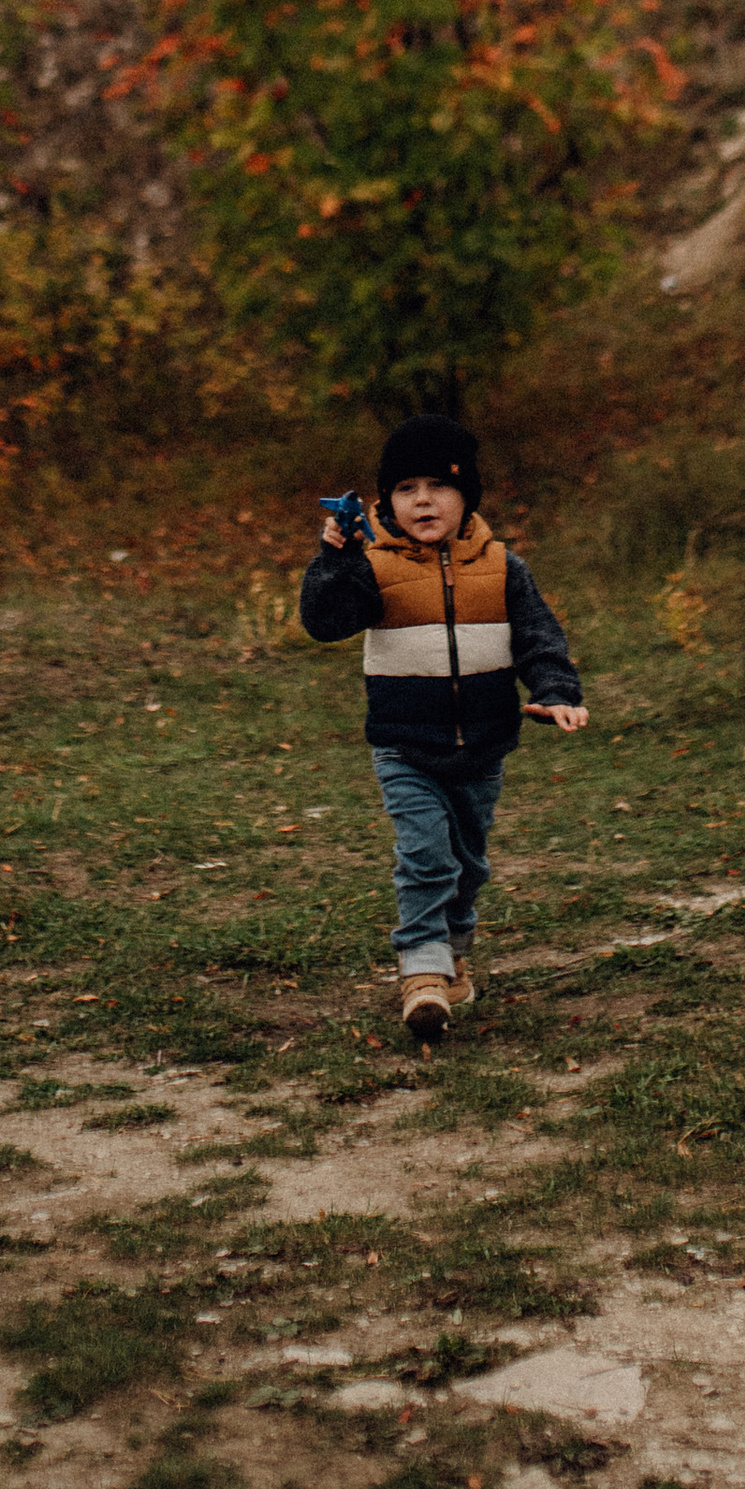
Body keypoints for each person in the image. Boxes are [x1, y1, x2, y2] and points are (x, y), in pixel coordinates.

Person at [299, 412, 587, 1052]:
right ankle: (421, 972)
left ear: (467, 495)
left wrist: (556, 691)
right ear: (385, 502)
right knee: (426, 853)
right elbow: (326, 621)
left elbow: (539, 640)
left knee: (467, 861)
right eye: (405, 489)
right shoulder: (373, 566)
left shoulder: (504, 568)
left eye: (437, 485)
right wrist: (334, 560)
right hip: (406, 745)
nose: (422, 499)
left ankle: (453, 956)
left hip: (484, 745)